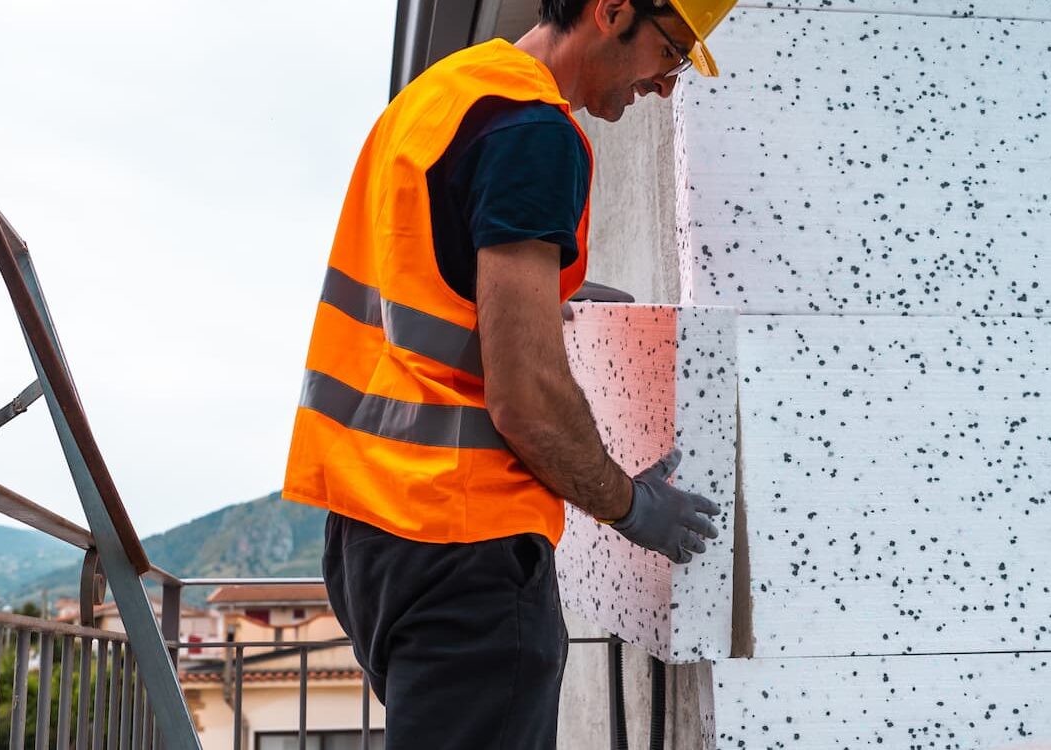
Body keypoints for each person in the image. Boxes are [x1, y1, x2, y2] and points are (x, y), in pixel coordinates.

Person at [281, 0, 737, 745]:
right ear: (613, 9)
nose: (667, 83)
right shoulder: (534, 131)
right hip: (465, 555)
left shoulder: (438, 96)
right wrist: (634, 509)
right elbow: (527, 401)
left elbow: (428, 278)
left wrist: (538, 286)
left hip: (372, 539)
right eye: (672, 48)